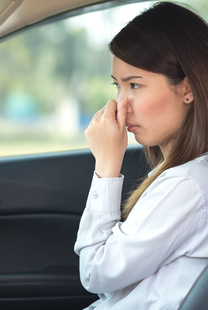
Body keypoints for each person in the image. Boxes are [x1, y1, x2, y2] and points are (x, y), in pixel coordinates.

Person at [74, 2, 208, 309]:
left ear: (187, 88)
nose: (121, 105)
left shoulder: (187, 184)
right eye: (118, 86)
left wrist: (106, 166)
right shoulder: (181, 173)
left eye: (135, 85)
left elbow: (95, 273)